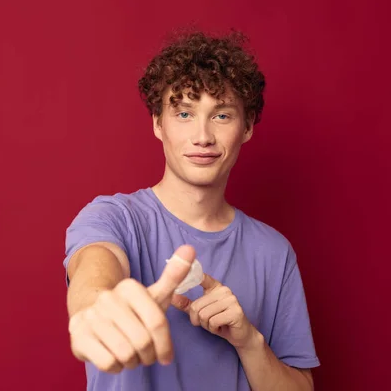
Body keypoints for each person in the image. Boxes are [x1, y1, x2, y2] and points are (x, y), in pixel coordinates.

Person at [63, 31, 319, 391]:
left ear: (246, 128)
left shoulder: (275, 252)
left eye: (222, 115)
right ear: (158, 123)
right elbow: (95, 269)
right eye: (184, 112)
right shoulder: (111, 217)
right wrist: (96, 306)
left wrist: (249, 341)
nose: (203, 136)